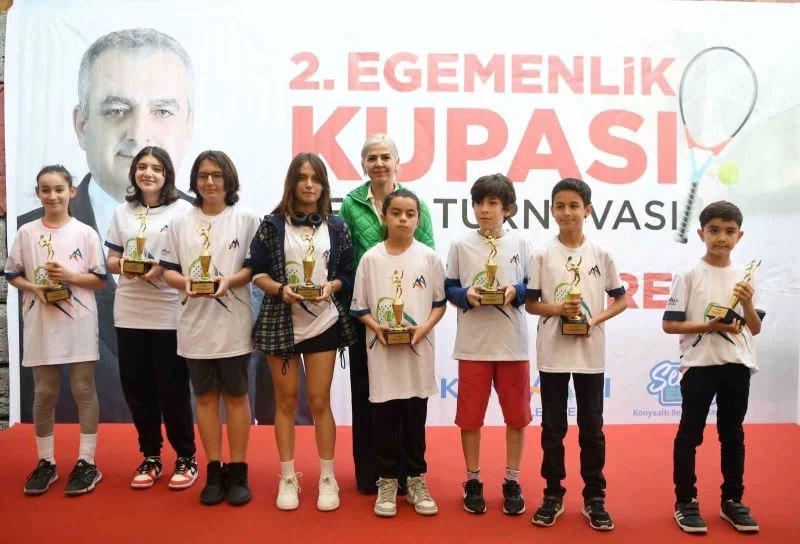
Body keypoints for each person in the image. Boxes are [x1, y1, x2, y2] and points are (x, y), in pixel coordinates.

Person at [17, 28, 195, 423]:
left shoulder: (226, 230)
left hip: (198, 446)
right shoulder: (24, 233)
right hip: (77, 442)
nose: (140, 133)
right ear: (81, 125)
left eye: (163, 111)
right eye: (116, 110)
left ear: (188, 126)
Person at [250, 153, 356, 511]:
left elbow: (347, 274)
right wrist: (281, 290)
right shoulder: (271, 225)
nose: (309, 185)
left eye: (315, 178)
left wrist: (332, 287)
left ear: (324, 185)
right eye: (302, 177)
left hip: (323, 322)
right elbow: (257, 272)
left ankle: (327, 477)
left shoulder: (337, 227)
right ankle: (287, 477)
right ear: (292, 183)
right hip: (281, 323)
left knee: (319, 402)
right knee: (285, 401)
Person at [525, 178, 628, 531]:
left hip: (590, 353)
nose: (566, 212)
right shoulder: (542, 254)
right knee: (553, 428)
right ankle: (553, 494)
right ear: (551, 211)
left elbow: (621, 300)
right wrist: (559, 309)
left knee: (592, 428)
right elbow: (531, 304)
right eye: (559, 206)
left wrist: (593, 320)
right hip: (552, 353)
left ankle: (594, 497)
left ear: (588, 210)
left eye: (573, 206)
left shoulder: (601, 254)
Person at [161, 151, 260, 506]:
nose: (210, 182)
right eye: (203, 175)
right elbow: (167, 270)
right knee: (204, 398)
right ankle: (214, 470)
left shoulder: (246, 219)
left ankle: (239, 469)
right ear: (194, 181)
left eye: (217, 175)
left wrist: (229, 280)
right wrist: (186, 283)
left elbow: (254, 269)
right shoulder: (179, 222)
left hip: (233, 325)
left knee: (236, 397)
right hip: (194, 325)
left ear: (229, 179)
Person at [339, 133, 435, 494]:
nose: (379, 163)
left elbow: (427, 257)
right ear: (363, 164)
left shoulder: (414, 203)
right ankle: (373, 475)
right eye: (372, 158)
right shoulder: (350, 204)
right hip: (365, 316)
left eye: (385, 157)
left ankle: (409, 475)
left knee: (407, 398)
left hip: (410, 320)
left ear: (397, 163)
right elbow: (343, 258)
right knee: (368, 394)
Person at [663, 201, 764, 534]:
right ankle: (685, 501)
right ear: (701, 233)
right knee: (690, 434)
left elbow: (754, 327)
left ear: (739, 235)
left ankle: (732, 500)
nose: (722, 237)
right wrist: (708, 327)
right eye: (714, 230)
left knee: (732, 434)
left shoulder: (745, 277)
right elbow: (669, 324)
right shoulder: (688, 274)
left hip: (737, 365)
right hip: (699, 365)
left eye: (729, 231)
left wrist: (746, 301)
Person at [5, 165, 106, 495]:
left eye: (59, 189)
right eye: (45, 190)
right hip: (41, 321)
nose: (53, 196)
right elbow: (13, 274)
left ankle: (87, 461)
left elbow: (99, 279)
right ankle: (45, 462)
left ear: (71, 191)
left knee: (83, 389)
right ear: (37, 193)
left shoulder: (86, 233)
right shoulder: (26, 232)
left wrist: (69, 277)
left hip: (79, 321)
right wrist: (34, 287)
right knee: (45, 392)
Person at [350, 188, 446, 518]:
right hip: (382, 357)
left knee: (415, 420)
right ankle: (388, 481)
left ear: (418, 219)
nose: (403, 219)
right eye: (396, 213)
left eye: (410, 214)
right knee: (384, 419)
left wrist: (423, 329)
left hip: (418, 355)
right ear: (384, 217)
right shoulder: (371, 258)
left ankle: (417, 480)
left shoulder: (429, 258)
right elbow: (359, 307)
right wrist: (376, 328)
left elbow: (439, 304)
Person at [104, 146, 197, 490]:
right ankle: (151, 455)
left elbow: (192, 258)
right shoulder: (122, 211)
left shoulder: (184, 210)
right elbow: (110, 260)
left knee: (173, 389)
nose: (148, 173)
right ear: (134, 173)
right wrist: (125, 266)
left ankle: (186, 456)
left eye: (156, 168)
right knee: (137, 389)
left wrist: (163, 269)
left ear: (167, 174)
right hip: (129, 311)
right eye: (142, 167)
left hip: (169, 312)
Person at [445, 174, 533, 516]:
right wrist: (466, 295)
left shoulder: (521, 244)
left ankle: (512, 479)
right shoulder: (460, 245)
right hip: (473, 347)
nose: (484, 209)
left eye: (492, 203)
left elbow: (533, 288)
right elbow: (449, 289)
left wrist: (516, 292)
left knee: (517, 418)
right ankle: (473, 479)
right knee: (470, 419)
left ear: (507, 208)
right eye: (479, 203)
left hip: (512, 347)